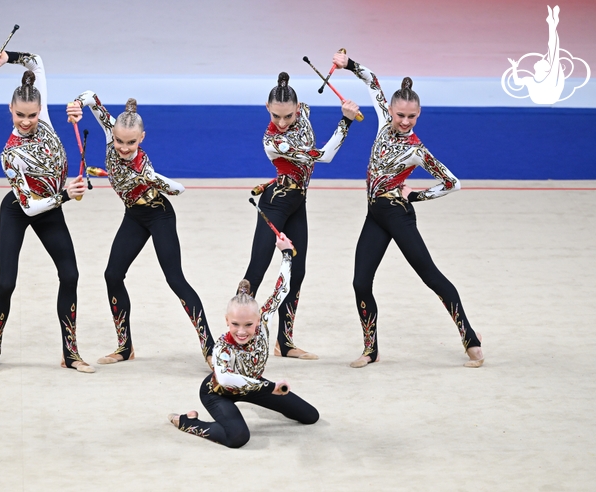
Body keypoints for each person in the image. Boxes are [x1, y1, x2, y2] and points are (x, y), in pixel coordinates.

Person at [331, 51, 485, 368]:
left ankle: (471, 339)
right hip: (375, 216)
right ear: (389, 110)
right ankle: (370, 349)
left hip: (398, 215)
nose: (404, 121)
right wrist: (349, 65)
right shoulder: (382, 122)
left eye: (411, 117)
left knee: (431, 277)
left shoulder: (416, 150)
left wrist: (415, 197)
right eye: (400, 114)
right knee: (360, 282)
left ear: (419, 114)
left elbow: (452, 183)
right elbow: (372, 81)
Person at [66, 93, 214, 367]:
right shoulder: (112, 132)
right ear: (113, 133)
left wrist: (154, 179)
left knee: (175, 279)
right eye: (119, 141)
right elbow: (91, 99)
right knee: (112, 275)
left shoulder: (142, 165)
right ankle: (125, 347)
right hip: (134, 215)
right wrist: (76, 104)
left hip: (159, 215)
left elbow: (178, 189)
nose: (123, 148)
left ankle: (210, 349)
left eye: (131, 142)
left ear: (142, 138)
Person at [0, 49, 94, 374]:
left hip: (52, 207)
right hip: (20, 209)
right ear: (10, 109)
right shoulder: (10, 154)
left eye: (32, 114)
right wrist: (66, 195)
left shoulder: (44, 121)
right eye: (20, 115)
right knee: (6, 282)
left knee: (70, 275)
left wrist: (8, 57)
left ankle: (70, 353)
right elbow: (29, 207)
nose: (27, 121)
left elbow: (36, 62)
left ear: (40, 110)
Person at [241, 72, 360, 360]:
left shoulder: (303, 111)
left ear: (298, 107)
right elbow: (324, 156)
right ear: (267, 108)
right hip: (276, 203)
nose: (282, 123)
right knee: (256, 270)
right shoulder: (273, 140)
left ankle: (284, 342)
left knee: (298, 272)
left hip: (297, 203)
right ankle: (237, 341)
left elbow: (306, 113)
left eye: (288, 115)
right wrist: (345, 121)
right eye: (276, 116)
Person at [168, 233, 319, 448]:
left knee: (310, 416)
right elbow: (226, 380)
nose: (241, 332)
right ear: (227, 321)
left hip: (255, 386)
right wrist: (269, 387)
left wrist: (286, 253)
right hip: (218, 393)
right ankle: (187, 421)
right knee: (238, 437)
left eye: (248, 324)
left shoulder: (264, 321)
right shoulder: (222, 346)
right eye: (235, 324)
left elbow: (282, 289)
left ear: (258, 319)